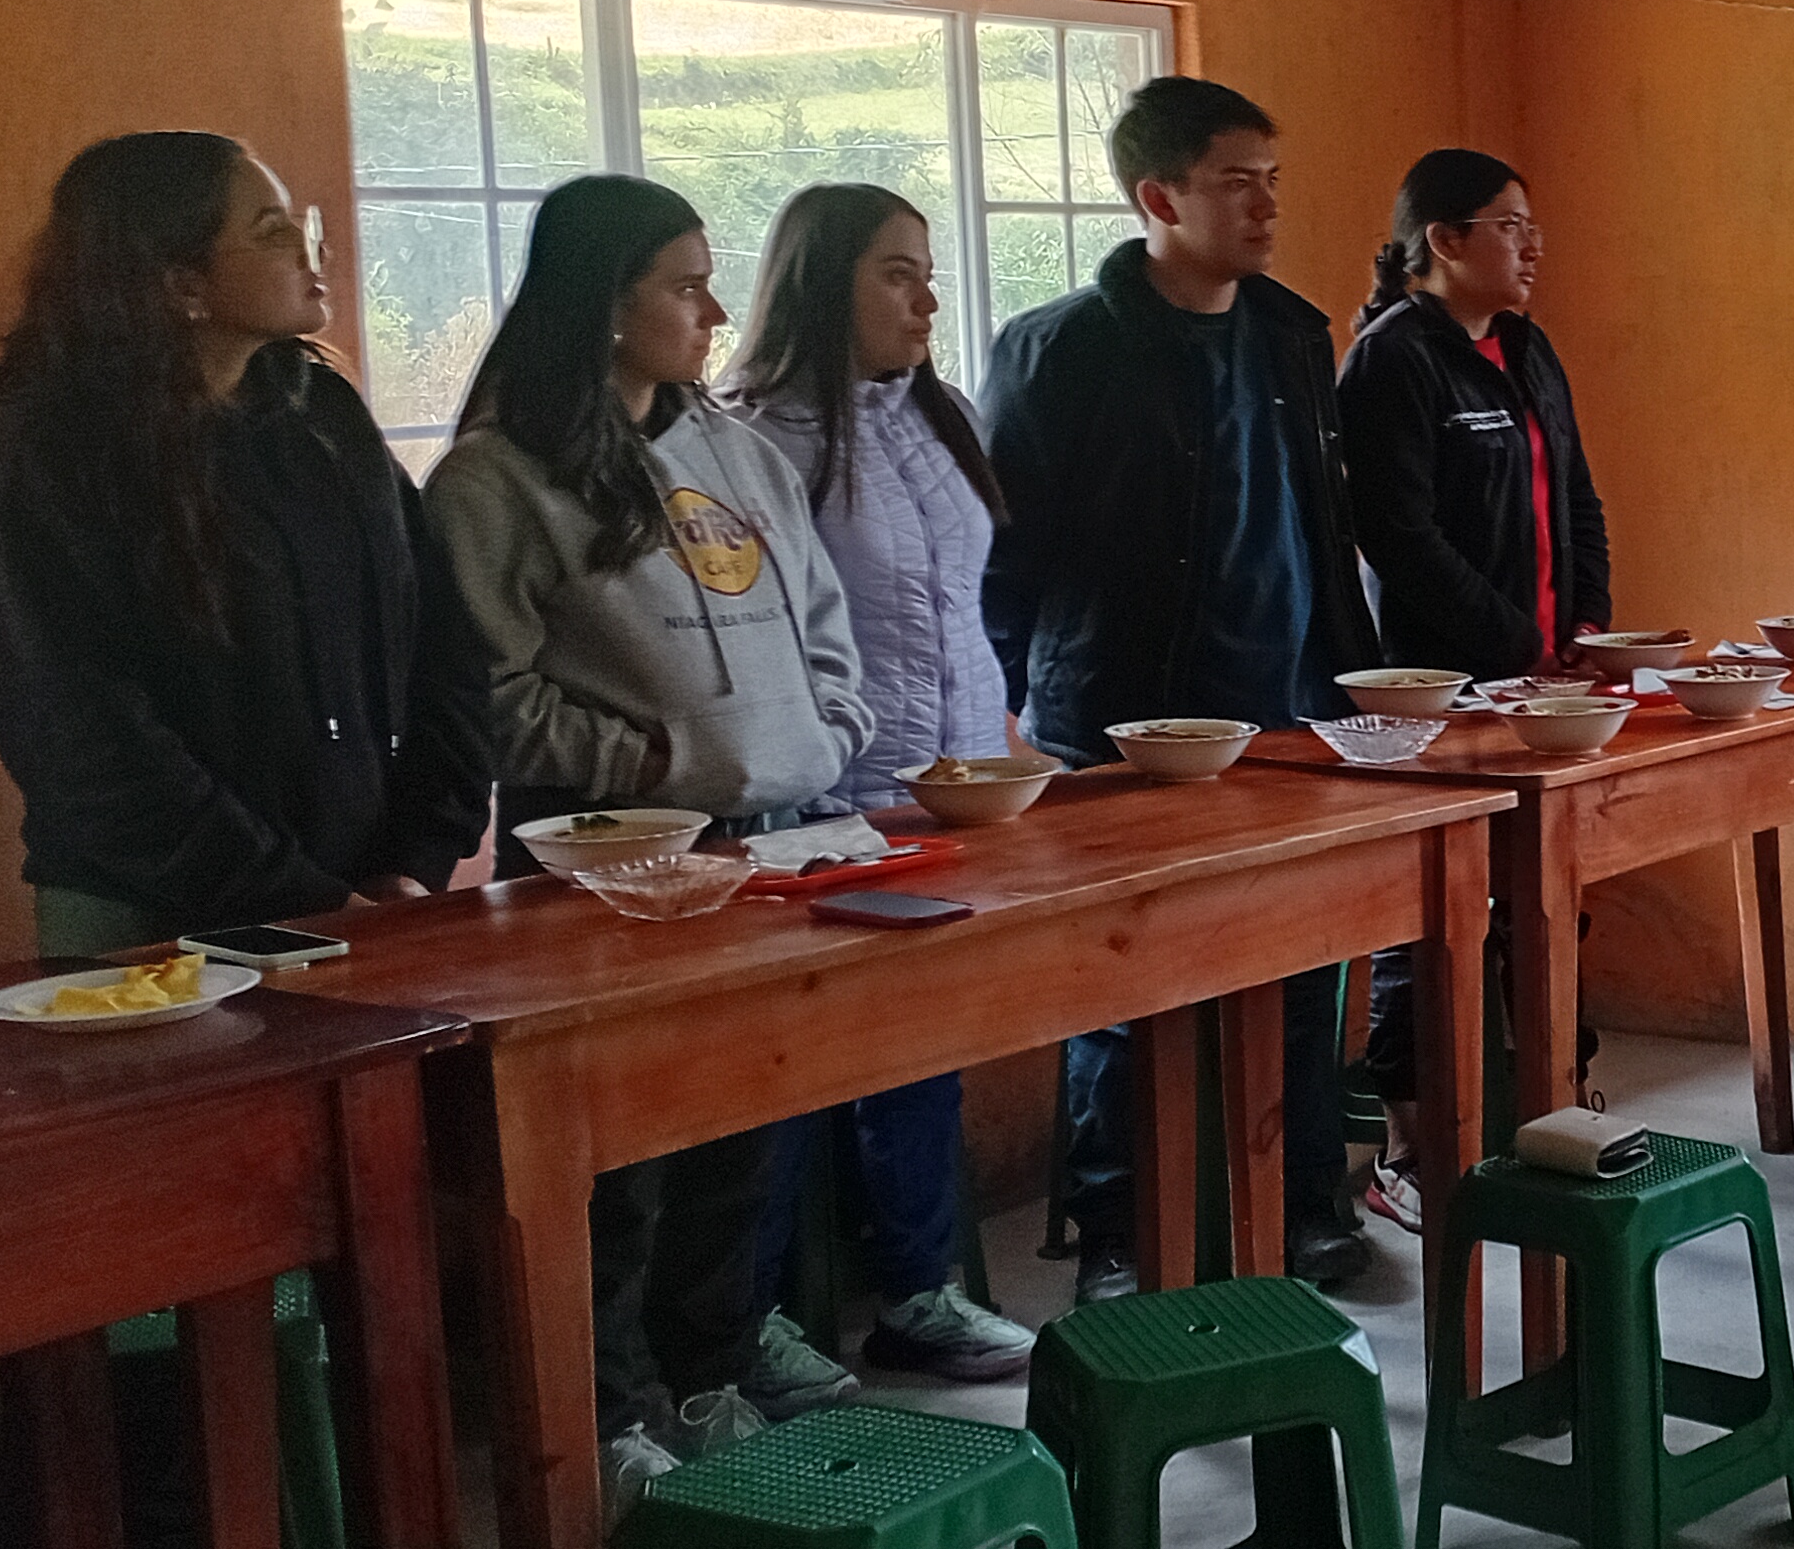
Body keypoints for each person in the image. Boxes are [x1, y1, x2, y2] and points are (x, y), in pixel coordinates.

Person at [423, 173, 871, 1518]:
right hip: (604, 867)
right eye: (685, 284)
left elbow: (824, 623)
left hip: (772, 844)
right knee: (616, 1168)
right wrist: (666, 766)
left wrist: (822, 734)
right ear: (605, 304)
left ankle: (705, 1376)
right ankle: (604, 1419)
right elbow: (489, 696)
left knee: (741, 1138)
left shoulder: (738, 453)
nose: (714, 311)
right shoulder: (494, 478)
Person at [983, 75, 1380, 1298]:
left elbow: (1323, 519)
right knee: (1121, 989)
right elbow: (1010, 548)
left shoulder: (1292, 331)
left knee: (1303, 969)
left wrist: (1355, 683)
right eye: (1235, 182)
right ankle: (1118, 1233)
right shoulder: (1061, 347)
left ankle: (1305, 1202)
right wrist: (1001, 705)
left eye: (1273, 179)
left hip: (1288, 704)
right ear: (1158, 199)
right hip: (1123, 717)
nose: (1266, 205)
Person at [0, 131, 491, 955]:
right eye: (271, 232)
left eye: (299, 224)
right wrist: (295, 898)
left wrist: (416, 855)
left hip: (366, 892)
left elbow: (439, 640)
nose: (311, 251)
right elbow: (79, 734)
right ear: (181, 284)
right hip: (153, 911)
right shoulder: (53, 457)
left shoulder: (323, 415)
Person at [717, 183, 1038, 1407]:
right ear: (820, 285)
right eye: (897, 275)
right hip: (828, 803)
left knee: (920, 1050)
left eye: (928, 272)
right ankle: (748, 1324)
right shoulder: (760, 440)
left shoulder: (935, 416)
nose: (927, 300)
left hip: (954, 795)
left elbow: (966, 606)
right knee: (790, 1077)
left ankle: (916, 1294)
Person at [1336, 148, 1609, 1230]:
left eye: (1532, 225)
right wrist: (1512, 640)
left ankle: (1559, 1104)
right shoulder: (1393, 361)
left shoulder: (1529, 348)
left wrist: (1584, 633)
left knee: (1551, 893)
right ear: (1443, 241)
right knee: (1431, 919)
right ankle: (1408, 1149)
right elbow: (1399, 537)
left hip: (1543, 684)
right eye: (1508, 225)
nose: (1532, 245)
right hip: (1439, 694)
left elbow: (1578, 497)